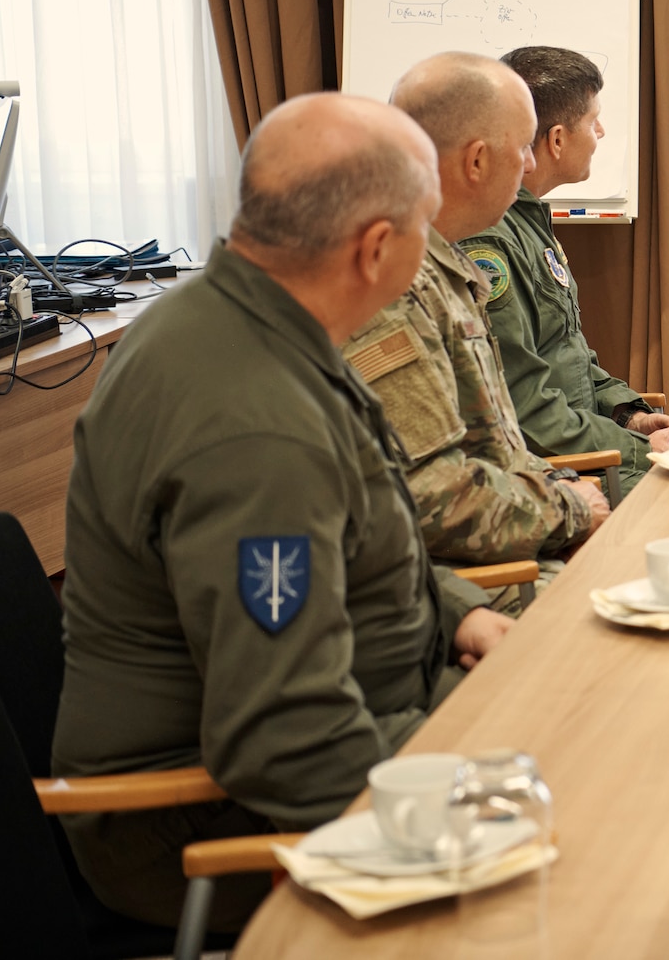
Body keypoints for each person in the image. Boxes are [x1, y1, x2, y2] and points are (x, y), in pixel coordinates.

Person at [53, 95, 513, 928]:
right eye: (426, 227)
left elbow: (355, 531)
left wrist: (457, 609)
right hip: (204, 820)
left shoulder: (245, 323)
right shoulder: (257, 427)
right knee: (589, 799)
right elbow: (285, 740)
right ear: (378, 248)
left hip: (356, 718)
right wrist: (483, 800)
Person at [342, 53, 611, 610]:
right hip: (464, 585)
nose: (529, 166)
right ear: (477, 161)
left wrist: (561, 490)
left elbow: (497, 444)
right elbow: (430, 500)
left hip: (513, 538)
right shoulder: (391, 288)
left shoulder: (443, 268)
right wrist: (571, 509)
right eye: (521, 149)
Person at [464, 46, 669, 499]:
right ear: (558, 139)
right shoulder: (491, 241)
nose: (601, 131)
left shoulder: (528, 221)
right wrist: (639, 448)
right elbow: (526, 407)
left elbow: (568, 355)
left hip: (591, 451)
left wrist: (629, 415)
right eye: (593, 121)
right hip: (563, 475)